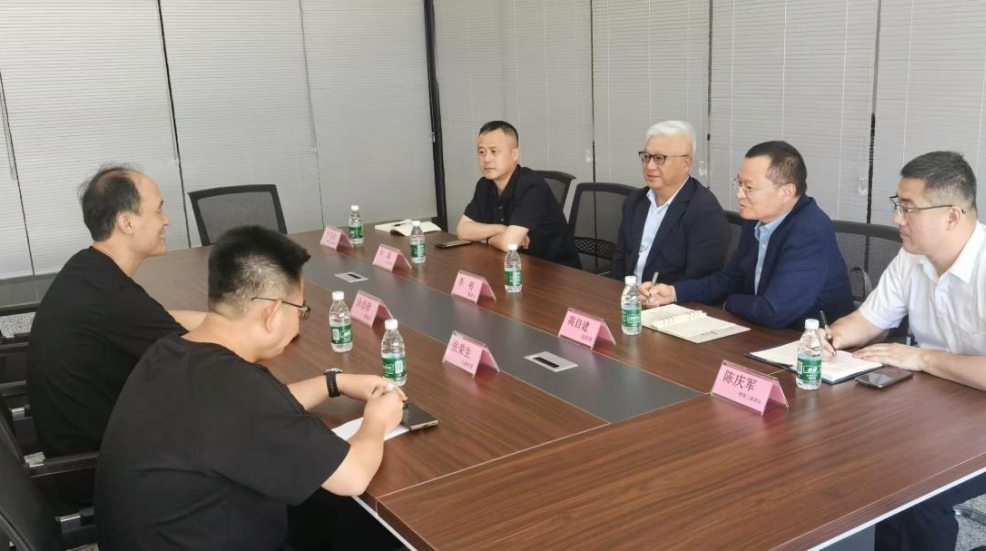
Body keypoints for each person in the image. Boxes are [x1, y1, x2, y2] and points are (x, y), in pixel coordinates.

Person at [96, 225, 408, 550]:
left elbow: (255, 413)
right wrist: (377, 419)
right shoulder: (237, 390)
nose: (298, 322)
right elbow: (353, 476)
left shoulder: (170, 353)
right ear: (272, 312)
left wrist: (333, 383)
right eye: (300, 310)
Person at [819, 151, 986, 551]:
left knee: (918, 489)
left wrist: (922, 358)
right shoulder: (912, 257)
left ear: (952, 216)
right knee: (854, 451)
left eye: (909, 208)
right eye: (898, 205)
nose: (897, 219)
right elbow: (868, 320)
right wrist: (828, 338)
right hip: (943, 400)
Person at [29, 165, 205, 462]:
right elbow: (204, 360)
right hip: (101, 467)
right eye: (158, 210)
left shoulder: (87, 268)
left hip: (93, 443)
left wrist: (221, 320)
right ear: (127, 222)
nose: (166, 220)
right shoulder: (113, 297)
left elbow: (160, 318)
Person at [641, 141, 854, 329]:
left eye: (749, 187)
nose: (739, 194)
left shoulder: (809, 232)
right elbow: (729, 279)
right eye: (739, 183)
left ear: (786, 192)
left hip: (810, 344)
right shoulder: (756, 218)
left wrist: (729, 303)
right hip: (760, 331)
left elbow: (774, 312)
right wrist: (674, 292)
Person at [609, 120, 729, 284]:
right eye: (646, 157)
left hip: (669, 299)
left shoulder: (704, 211)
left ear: (686, 163)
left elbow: (700, 281)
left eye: (659, 158)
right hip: (628, 295)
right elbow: (619, 260)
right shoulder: (635, 201)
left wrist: (657, 295)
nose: (649, 166)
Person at [455, 120, 581, 268]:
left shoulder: (532, 187)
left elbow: (509, 244)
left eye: (494, 151)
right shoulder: (485, 185)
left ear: (514, 154)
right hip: (516, 266)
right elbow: (462, 231)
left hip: (556, 272)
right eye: (482, 152)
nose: (486, 159)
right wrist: (500, 229)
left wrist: (490, 239)